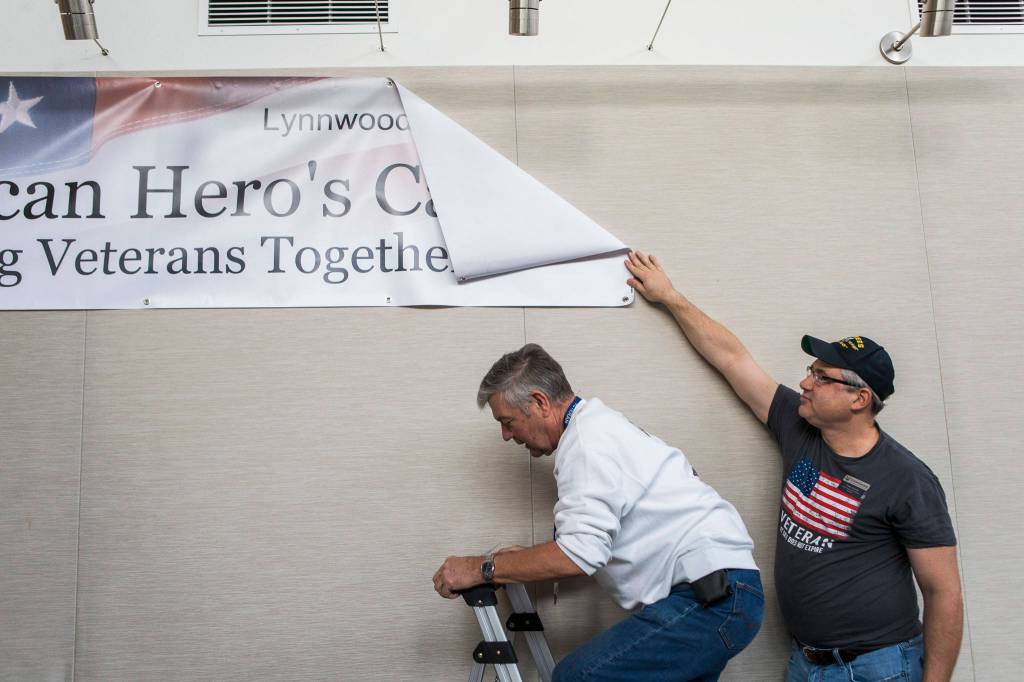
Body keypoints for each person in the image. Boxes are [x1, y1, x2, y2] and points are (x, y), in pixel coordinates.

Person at [624, 250, 963, 682]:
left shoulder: (907, 478)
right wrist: (671, 297)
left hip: (878, 668)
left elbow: (944, 592)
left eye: (823, 377)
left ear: (860, 399)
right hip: (807, 663)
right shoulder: (799, 426)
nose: (805, 382)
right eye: (811, 370)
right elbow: (732, 359)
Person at [432, 343, 763, 681]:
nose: (506, 435)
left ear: (539, 403)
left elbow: (579, 555)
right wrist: (526, 561)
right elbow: (588, 541)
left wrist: (482, 569)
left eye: (507, 421)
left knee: (574, 677)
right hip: (724, 594)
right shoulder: (597, 427)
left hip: (713, 597)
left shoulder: (586, 443)